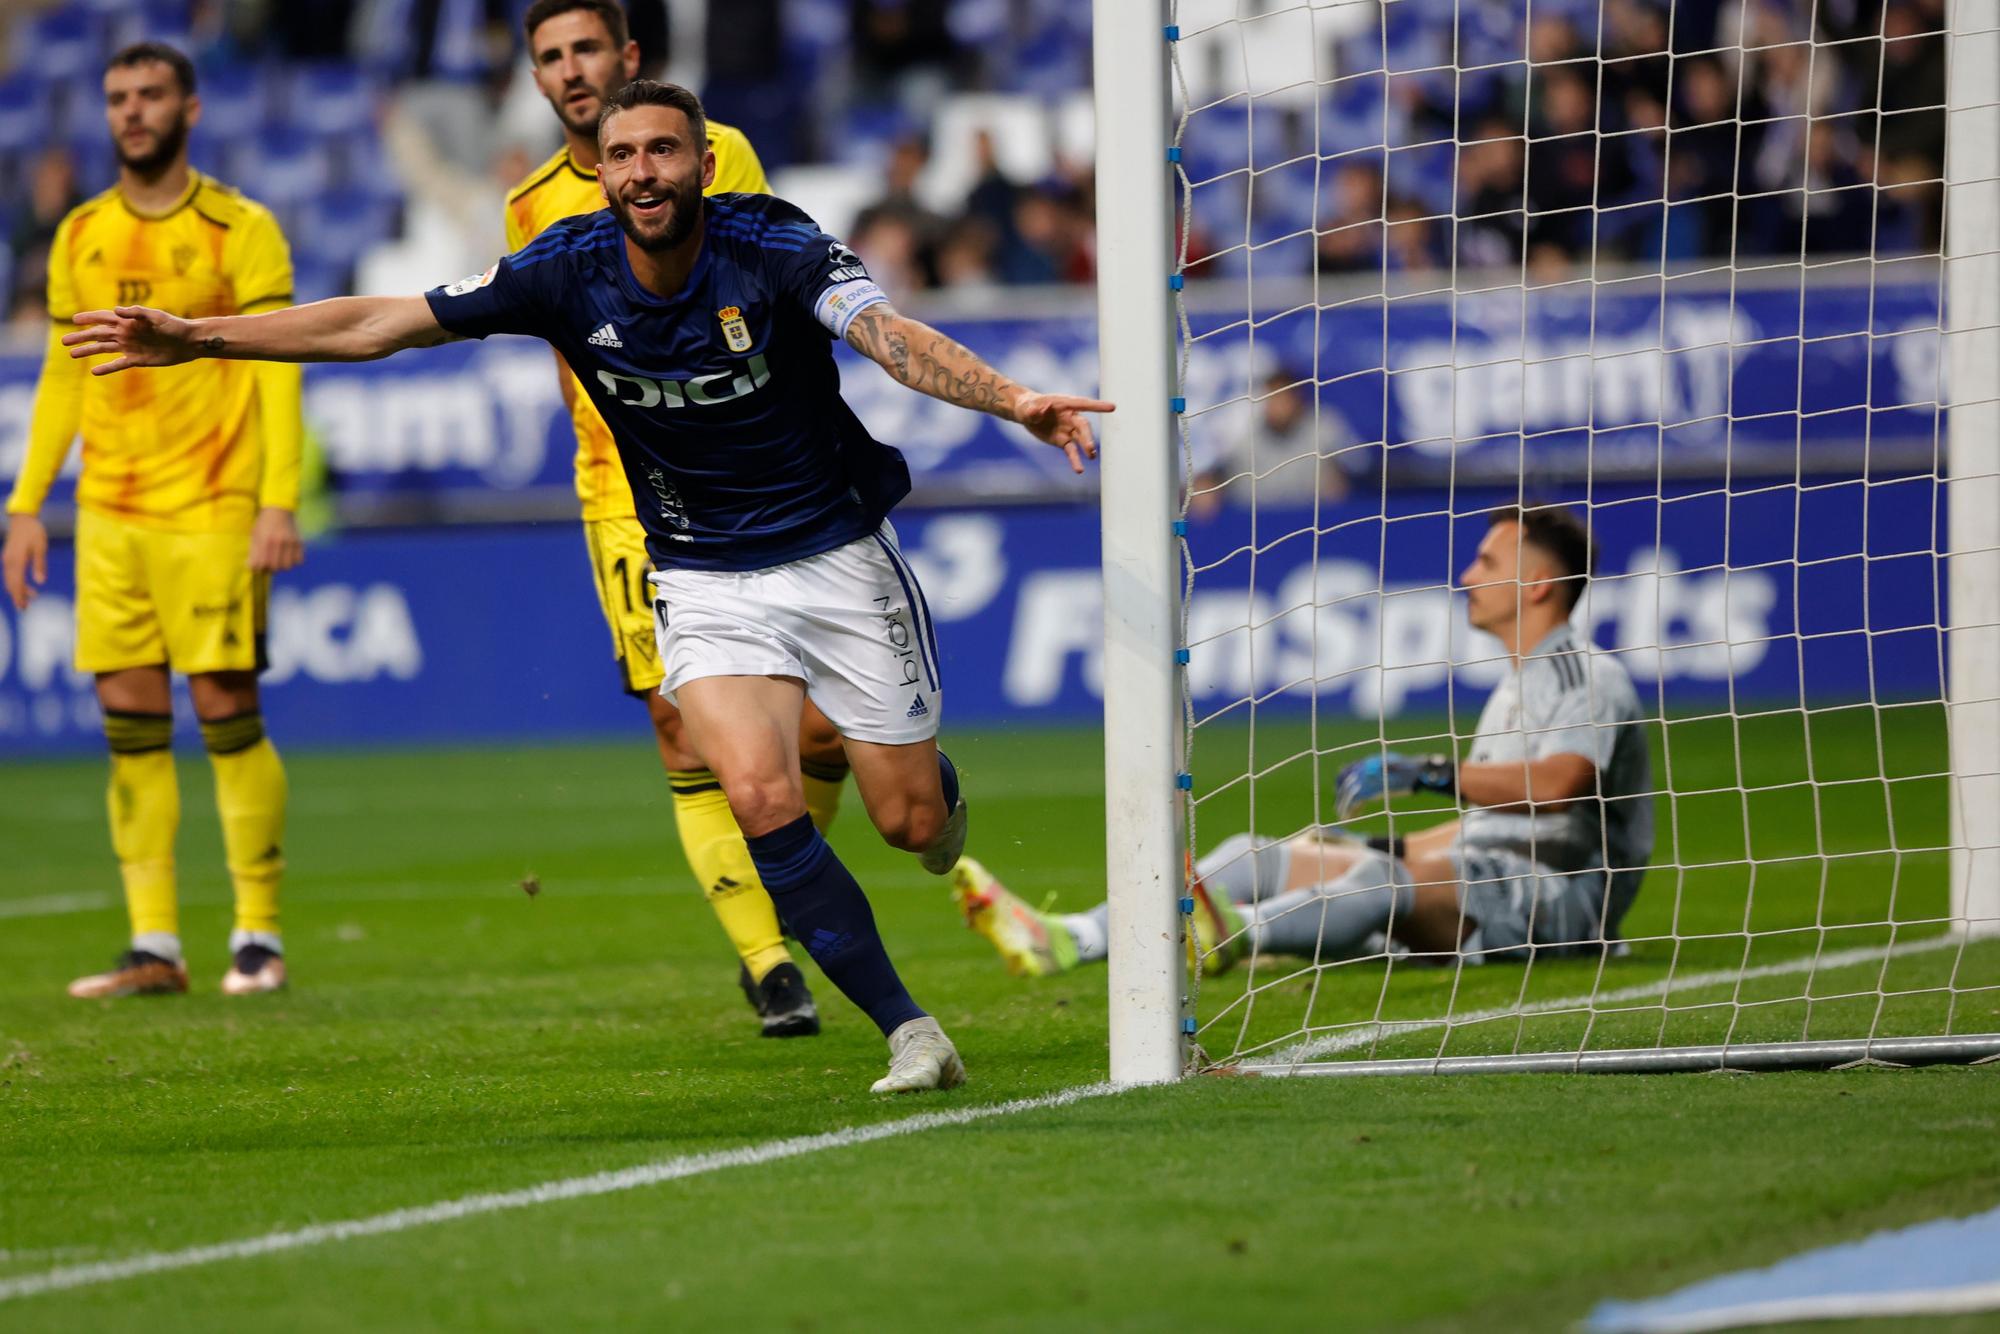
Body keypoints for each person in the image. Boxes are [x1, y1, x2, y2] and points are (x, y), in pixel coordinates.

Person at [62, 80, 1112, 1093]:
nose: (641, 173)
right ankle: (909, 1028)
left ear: (702, 163)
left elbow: (890, 338)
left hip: (833, 553)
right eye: (620, 156)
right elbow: (378, 323)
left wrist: (1009, 397)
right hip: (700, 571)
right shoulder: (562, 268)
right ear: (598, 173)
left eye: (661, 151)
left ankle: (939, 797)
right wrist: (199, 335)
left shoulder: (774, 241)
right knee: (752, 793)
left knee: (909, 824)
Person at [506, 0, 836, 1038]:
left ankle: (782, 885)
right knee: (676, 723)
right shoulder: (526, 204)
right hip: (623, 487)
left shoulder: (719, 152)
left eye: (586, 49)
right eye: (550, 57)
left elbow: (759, 286)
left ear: (629, 56)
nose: (570, 70)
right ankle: (768, 959)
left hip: (753, 476)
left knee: (817, 733)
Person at [953, 505, 1653, 976]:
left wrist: (1429, 772)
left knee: (1375, 882)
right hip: (1486, 882)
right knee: (1266, 854)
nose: (1467, 577)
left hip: (1563, 904)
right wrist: (1389, 844)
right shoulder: (1517, 683)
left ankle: (1234, 932)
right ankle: (1076, 936)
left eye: (1487, 562)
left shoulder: (1587, 675)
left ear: (1537, 585)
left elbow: (1558, 786)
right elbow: (1491, 825)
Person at [2, 43, 306, 999]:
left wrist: (278, 498)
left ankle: (257, 934)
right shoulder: (80, 233)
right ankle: (155, 947)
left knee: (224, 712)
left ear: (190, 108)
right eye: (118, 98)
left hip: (211, 510)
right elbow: (62, 372)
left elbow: (276, 364)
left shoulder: (238, 228)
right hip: (110, 516)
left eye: (150, 96)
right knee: (127, 726)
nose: (132, 112)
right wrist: (24, 506)